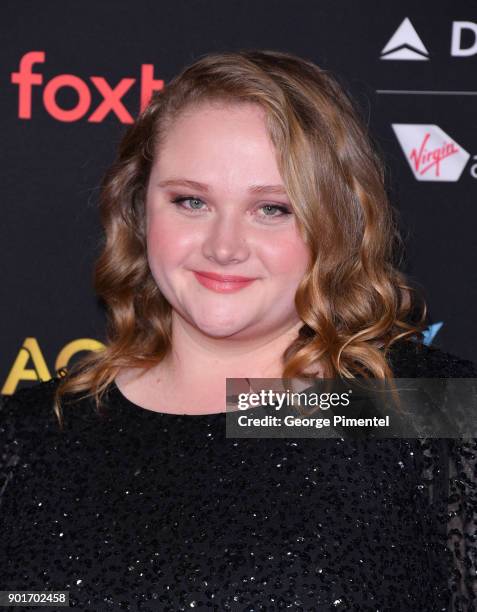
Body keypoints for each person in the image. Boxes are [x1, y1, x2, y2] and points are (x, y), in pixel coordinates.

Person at [1, 49, 476, 611]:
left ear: (339, 220)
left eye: (272, 209)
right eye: (191, 201)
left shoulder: (430, 410)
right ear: (137, 207)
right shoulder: (29, 434)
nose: (224, 247)